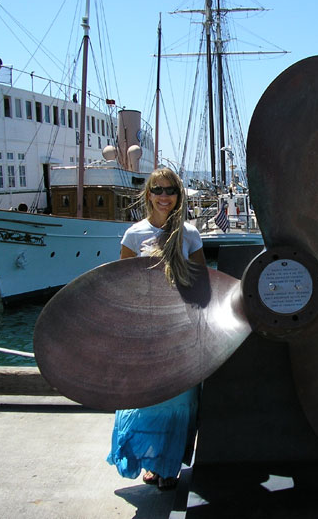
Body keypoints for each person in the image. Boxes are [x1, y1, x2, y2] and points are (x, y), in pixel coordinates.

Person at [106, 167, 205, 490]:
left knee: (180, 402)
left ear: (178, 196)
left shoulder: (189, 234)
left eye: (170, 190)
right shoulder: (134, 235)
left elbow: (203, 283)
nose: (164, 196)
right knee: (149, 401)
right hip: (147, 331)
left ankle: (169, 465)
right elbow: (123, 285)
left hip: (180, 328)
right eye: (158, 190)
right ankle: (150, 461)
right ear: (148, 194)